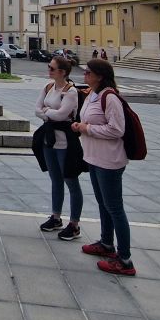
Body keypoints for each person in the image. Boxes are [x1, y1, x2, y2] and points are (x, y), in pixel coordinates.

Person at [71, 58, 135, 276]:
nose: (84, 75)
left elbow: (116, 130)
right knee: (103, 203)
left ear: (99, 76)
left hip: (110, 160)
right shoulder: (93, 94)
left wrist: (86, 129)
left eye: (88, 72)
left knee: (115, 207)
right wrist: (82, 126)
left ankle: (125, 259)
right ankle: (106, 243)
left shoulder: (110, 97)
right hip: (94, 157)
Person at [33, 55, 85, 241]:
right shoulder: (48, 87)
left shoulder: (70, 92)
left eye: (52, 68)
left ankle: (74, 224)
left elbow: (62, 115)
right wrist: (48, 114)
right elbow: (37, 109)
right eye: (49, 67)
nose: (49, 70)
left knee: (70, 180)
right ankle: (56, 217)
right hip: (49, 139)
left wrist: (46, 112)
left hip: (65, 142)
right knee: (55, 179)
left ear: (62, 72)